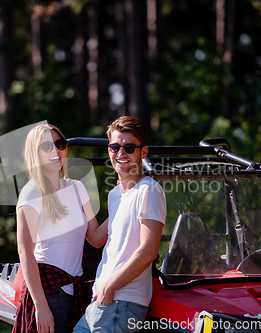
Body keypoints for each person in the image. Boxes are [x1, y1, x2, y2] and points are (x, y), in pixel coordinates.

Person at [73, 116, 167, 333]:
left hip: (122, 301)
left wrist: (111, 285)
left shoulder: (149, 190)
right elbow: (96, 239)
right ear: (109, 150)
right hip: (103, 300)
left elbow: (148, 250)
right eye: (115, 147)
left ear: (143, 152)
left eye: (129, 147)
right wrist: (77, 196)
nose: (121, 153)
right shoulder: (116, 194)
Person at [13, 123, 108, 333]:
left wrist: (124, 200)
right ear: (34, 153)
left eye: (59, 144)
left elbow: (95, 238)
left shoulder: (77, 187)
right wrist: (41, 306)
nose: (55, 151)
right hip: (48, 292)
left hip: (76, 290)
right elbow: (25, 252)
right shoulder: (31, 193)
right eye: (46, 146)